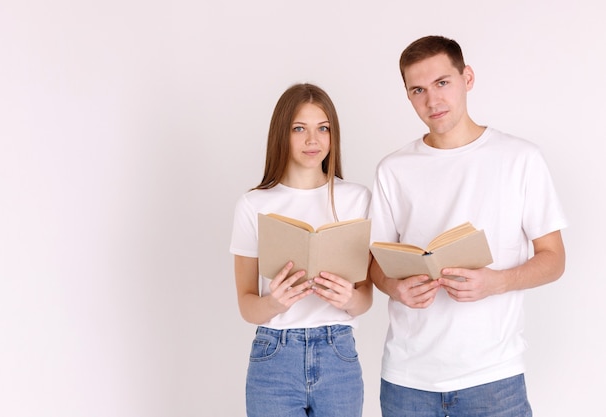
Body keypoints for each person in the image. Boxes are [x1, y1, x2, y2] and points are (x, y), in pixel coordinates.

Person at [368, 35, 567, 417]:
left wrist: (498, 282)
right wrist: (394, 286)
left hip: (494, 380)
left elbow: (554, 259)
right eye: (418, 90)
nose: (433, 100)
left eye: (443, 83)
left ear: (467, 78)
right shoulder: (393, 169)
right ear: (408, 96)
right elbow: (375, 263)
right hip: (407, 381)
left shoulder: (520, 158)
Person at [230, 83, 373, 417]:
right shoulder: (254, 204)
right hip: (274, 355)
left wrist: (347, 298)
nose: (313, 140)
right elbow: (247, 305)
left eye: (323, 128)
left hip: (338, 352)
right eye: (299, 129)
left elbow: (366, 297)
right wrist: (273, 303)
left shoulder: (357, 199)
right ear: (282, 134)